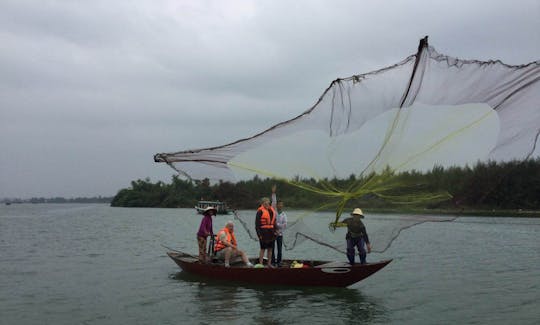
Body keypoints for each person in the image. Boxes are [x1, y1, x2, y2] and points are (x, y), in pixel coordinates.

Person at [255, 197, 276, 267]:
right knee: (263, 249)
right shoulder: (260, 211)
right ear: (262, 204)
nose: (267, 204)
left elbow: (274, 222)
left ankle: (269, 264)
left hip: (271, 232)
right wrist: (259, 235)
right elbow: (257, 225)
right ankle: (261, 264)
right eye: (265, 203)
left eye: (268, 203)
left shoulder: (271, 210)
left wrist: (275, 231)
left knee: (270, 249)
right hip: (263, 232)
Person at [270, 185, 287, 267]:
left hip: (279, 234)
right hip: (273, 233)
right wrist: (273, 193)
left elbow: (284, 225)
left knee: (279, 249)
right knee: (272, 248)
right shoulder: (274, 211)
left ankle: (279, 261)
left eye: (281, 204)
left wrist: (277, 226)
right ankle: (273, 261)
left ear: (282, 206)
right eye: (279, 204)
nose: (280, 205)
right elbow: (273, 201)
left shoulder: (284, 215)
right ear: (277, 205)